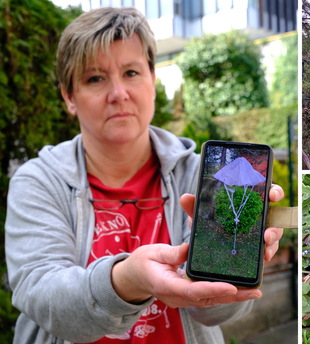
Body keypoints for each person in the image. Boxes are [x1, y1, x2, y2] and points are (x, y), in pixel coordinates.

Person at [4, 6, 284, 344]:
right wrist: (125, 282)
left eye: (131, 72)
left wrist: (233, 266)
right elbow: (43, 298)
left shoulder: (202, 175)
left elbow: (212, 311)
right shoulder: (38, 181)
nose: (118, 93)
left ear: (153, 79)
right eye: (95, 78)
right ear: (69, 96)